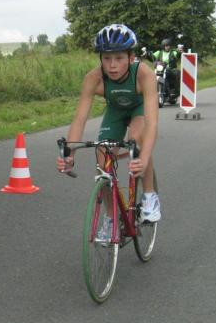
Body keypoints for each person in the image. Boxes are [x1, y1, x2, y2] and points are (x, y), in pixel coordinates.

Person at [56, 24, 161, 230]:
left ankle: (150, 197)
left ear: (131, 58)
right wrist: (70, 154)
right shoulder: (93, 78)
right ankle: (112, 217)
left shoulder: (144, 74)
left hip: (139, 110)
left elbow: (152, 122)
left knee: (137, 139)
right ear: (100, 59)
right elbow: (80, 119)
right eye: (106, 58)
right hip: (115, 112)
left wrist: (144, 157)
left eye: (119, 58)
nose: (112, 65)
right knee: (102, 157)